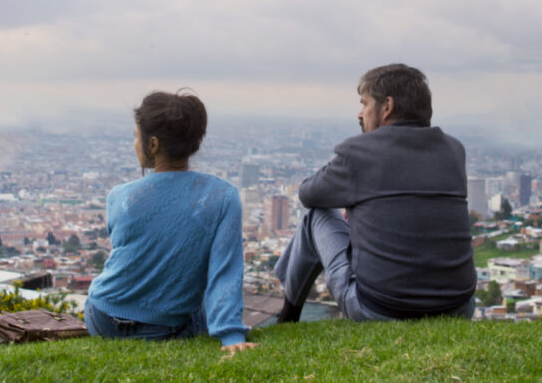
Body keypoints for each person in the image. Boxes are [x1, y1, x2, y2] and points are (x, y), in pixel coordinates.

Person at [274, 63, 476, 323]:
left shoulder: (359, 151)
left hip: (379, 309)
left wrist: (351, 197)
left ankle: (288, 316)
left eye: (365, 103)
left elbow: (308, 195)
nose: (360, 114)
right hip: (458, 308)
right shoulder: (454, 150)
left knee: (316, 216)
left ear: (387, 106)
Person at [85, 90, 256, 353]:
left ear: (152, 145)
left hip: (103, 317)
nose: (134, 144)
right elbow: (225, 272)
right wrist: (232, 337)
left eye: (135, 137)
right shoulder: (222, 197)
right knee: (198, 306)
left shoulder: (120, 197)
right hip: (164, 329)